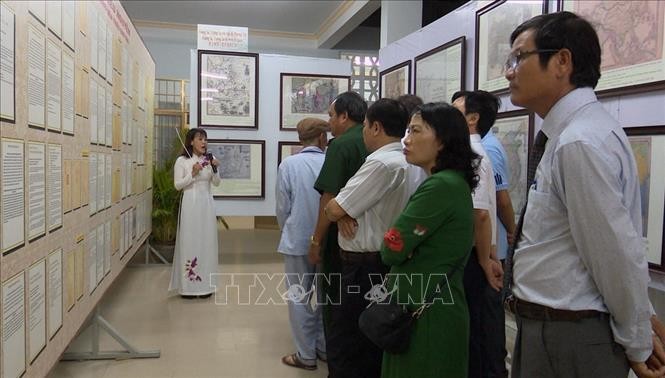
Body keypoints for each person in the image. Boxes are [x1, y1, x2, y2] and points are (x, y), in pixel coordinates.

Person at [504, 12, 664, 378]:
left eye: (518, 58)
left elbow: (613, 253)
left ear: (562, 61)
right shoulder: (569, 135)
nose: (509, 72)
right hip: (552, 330)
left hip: (570, 337)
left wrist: (638, 341)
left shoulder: (580, 142)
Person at [380, 102, 480, 377]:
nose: (406, 139)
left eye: (415, 131)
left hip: (426, 313)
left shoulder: (440, 186)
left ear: (442, 141)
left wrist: (402, 247)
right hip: (429, 305)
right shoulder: (451, 182)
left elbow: (390, 249)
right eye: (407, 131)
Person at [323, 98, 411, 377]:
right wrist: (344, 212)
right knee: (371, 340)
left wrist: (340, 212)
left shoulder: (382, 163)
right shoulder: (408, 161)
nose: (361, 133)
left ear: (375, 127)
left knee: (347, 341)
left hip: (363, 265)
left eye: (364, 127)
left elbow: (333, 207)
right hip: (385, 261)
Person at [307, 91, 368, 377]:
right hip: (375, 245)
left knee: (336, 307)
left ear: (345, 116)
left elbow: (328, 197)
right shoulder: (380, 145)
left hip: (341, 241)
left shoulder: (341, 145)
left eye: (331, 116)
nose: (329, 122)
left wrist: (316, 240)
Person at [452, 90, 512, 377]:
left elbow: (480, 214)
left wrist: (487, 259)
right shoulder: (468, 152)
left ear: (473, 118)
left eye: (456, 111)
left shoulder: (472, 155)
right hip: (478, 257)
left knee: (478, 340)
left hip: (472, 262)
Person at [276, 118, 329, 371]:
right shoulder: (330, 162)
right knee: (327, 296)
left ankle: (305, 354)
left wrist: (288, 229)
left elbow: (282, 207)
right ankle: (324, 347)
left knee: (299, 297)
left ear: (300, 139)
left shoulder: (289, 165)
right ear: (322, 138)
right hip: (328, 240)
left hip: (297, 240)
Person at [169, 128, 220, 298]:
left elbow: (217, 183)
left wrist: (215, 169)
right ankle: (189, 287)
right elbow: (177, 185)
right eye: (200, 139)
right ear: (191, 141)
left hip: (206, 204)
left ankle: (205, 286)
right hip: (191, 204)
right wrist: (192, 173)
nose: (204, 142)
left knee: (207, 242)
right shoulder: (182, 161)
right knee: (190, 241)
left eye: (205, 139)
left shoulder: (208, 160)